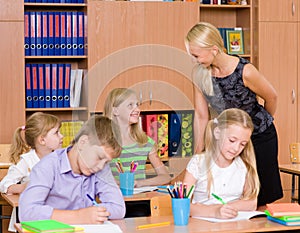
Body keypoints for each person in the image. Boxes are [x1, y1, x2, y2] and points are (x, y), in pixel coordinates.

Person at [184, 22, 282, 208]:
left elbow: (272, 97)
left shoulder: (245, 71)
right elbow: (201, 116)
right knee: (235, 193)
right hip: (229, 138)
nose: (194, 60)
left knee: (261, 195)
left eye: (196, 55)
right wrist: (199, 153)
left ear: (213, 49)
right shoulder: (199, 74)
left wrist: (259, 124)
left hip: (260, 137)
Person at [19, 115, 126, 224]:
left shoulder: (100, 168)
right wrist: (79, 216)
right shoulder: (48, 166)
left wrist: (92, 213)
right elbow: (27, 212)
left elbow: (118, 208)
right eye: (99, 157)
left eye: (106, 162)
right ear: (83, 142)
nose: (101, 166)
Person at [183, 108, 260, 219]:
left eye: (243, 144)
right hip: (203, 227)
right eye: (232, 140)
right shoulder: (198, 163)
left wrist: (225, 208)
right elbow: (183, 205)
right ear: (217, 133)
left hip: (233, 226)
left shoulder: (243, 166)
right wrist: (215, 211)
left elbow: (251, 204)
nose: (236, 148)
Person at [0, 112, 63, 232]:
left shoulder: (61, 159)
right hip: (29, 219)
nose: (62, 136)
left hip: (56, 215)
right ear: (42, 140)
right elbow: (4, 185)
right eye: (56, 133)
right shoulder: (26, 161)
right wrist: (24, 187)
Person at [103, 88, 171, 187]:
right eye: (130, 105)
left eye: (137, 105)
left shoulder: (145, 142)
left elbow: (165, 177)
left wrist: (139, 183)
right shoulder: (104, 143)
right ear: (115, 111)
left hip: (140, 200)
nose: (138, 110)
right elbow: (98, 177)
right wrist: (120, 184)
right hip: (115, 199)